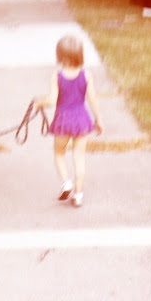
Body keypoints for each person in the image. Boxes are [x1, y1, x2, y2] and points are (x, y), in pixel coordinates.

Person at [35, 35, 103, 207]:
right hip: (81, 120)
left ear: (60, 56)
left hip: (63, 121)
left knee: (59, 153)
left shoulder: (57, 77)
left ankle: (66, 182)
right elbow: (93, 99)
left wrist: (38, 103)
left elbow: (51, 101)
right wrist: (98, 119)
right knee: (79, 157)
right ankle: (78, 195)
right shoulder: (86, 75)